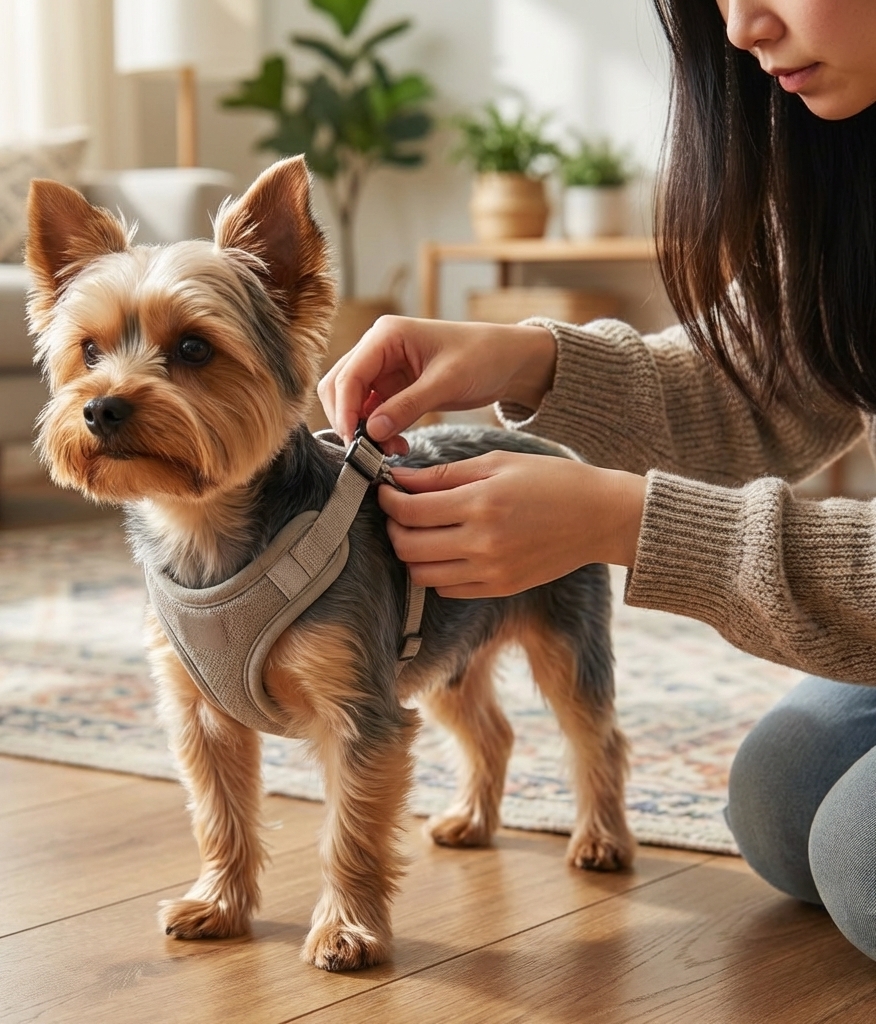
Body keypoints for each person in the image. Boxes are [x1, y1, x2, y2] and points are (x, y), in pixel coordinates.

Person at [318, 0, 876, 961]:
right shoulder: (852, 159)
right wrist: (524, 360)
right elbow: (758, 389)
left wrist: (629, 522)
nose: (741, 26)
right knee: (780, 808)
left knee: (858, 859)